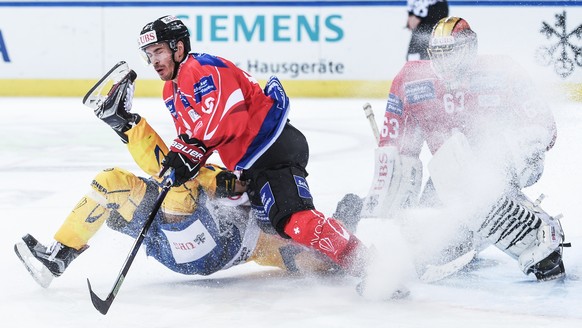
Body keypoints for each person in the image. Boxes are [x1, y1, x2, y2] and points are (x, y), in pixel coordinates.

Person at [14, 70, 363, 287]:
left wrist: (333, 238)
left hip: (201, 245)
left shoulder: (236, 176)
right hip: (194, 242)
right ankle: (57, 257)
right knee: (165, 179)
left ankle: (122, 121)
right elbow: (198, 171)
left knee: (167, 179)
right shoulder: (242, 181)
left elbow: (208, 175)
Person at [130, 15, 375, 288]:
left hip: (272, 149)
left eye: (159, 51)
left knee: (293, 220)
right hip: (250, 164)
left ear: (178, 48)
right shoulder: (170, 91)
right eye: (149, 55)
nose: (154, 61)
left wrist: (191, 152)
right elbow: (191, 135)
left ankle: (371, 265)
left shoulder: (200, 68)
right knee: (274, 229)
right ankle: (342, 226)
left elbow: (228, 115)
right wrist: (182, 160)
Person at [365, 16, 568, 281]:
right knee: (430, 251)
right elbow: (396, 150)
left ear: (469, 48)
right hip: (448, 178)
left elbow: (544, 126)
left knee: (480, 189)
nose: (444, 61)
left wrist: (512, 153)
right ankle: (478, 230)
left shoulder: (502, 71)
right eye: (438, 53)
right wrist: (395, 204)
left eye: (451, 52)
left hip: (501, 163)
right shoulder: (411, 80)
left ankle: (538, 234)